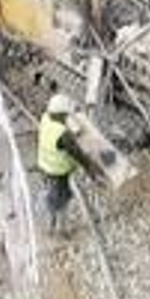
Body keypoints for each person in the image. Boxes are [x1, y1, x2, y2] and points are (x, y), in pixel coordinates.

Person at [37, 94, 88, 235]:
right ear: (60, 114)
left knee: (50, 192)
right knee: (62, 200)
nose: (68, 116)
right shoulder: (61, 134)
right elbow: (76, 153)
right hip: (58, 171)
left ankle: (50, 223)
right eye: (66, 114)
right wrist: (86, 165)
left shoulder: (45, 118)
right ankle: (61, 229)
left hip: (43, 164)